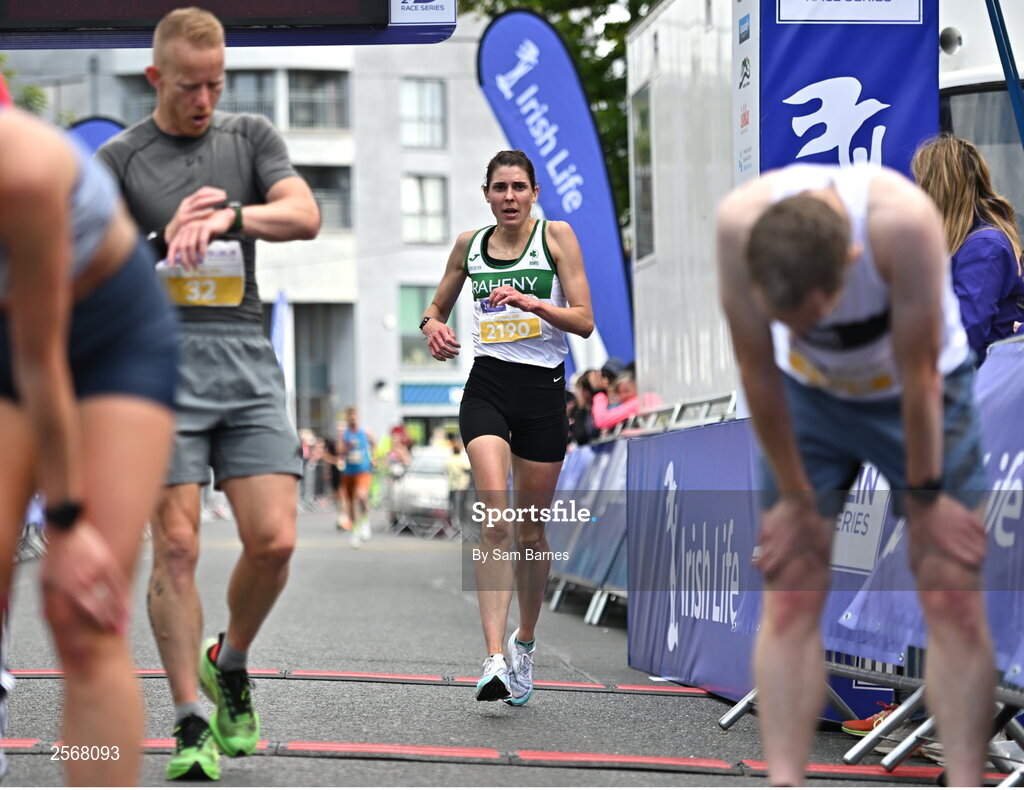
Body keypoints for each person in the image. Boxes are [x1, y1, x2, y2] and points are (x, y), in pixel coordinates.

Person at [97, 7, 320, 782]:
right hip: (157, 362)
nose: (204, 99)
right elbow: (81, 257)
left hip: (244, 353)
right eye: (190, 86)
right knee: (180, 545)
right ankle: (191, 721)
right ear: (156, 77)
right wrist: (161, 242)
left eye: (215, 84)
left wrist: (231, 213)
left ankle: (232, 657)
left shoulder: (249, 137)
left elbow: (307, 214)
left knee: (276, 541)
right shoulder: (121, 159)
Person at [716, 162, 993, 787]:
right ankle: (784, 778)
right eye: (797, 324)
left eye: (824, 314)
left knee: (949, 585)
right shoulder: (737, 228)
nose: (816, 331)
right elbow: (758, 369)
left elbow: (920, 375)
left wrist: (926, 499)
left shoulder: (904, 225)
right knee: (791, 585)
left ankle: (969, 778)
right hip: (807, 395)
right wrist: (791, 501)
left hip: (917, 386)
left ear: (853, 255)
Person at [0, 99, 178, 785]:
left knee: (81, 612)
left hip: (107, 335)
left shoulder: (22, 168)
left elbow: (39, 360)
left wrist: (67, 523)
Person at [421, 149, 594, 704]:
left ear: (535, 193)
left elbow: (585, 321)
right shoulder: (470, 246)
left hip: (543, 393)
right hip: (488, 389)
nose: (510, 196)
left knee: (531, 532)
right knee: (496, 518)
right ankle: (493, 658)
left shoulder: (557, 237)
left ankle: (525, 641)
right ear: (488, 194)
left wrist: (533, 302)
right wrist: (432, 327)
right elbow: (437, 306)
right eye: (500, 187)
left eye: (520, 186)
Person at [912, 134, 1024, 364]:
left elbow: (965, 334)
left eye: (920, 182)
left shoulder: (984, 247)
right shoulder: (969, 240)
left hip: (977, 380)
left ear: (937, 188)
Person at [336, 407, 376, 544]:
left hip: (363, 469)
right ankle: (355, 530)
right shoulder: (344, 433)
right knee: (351, 502)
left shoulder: (365, 431)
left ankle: (365, 521)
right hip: (349, 471)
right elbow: (339, 450)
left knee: (362, 496)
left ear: (358, 416)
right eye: (350, 415)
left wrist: (374, 458)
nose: (352, 418)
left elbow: (374, 443)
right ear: (348, 417)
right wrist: (347, 445)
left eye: (354, 415)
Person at [445, 435, 472, 531]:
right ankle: (460, 527)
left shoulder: (449, 460)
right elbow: (469, 468)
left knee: (454, 508)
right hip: (461, 486)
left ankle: (454, 525)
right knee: (461, 508)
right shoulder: (461, 459)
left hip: (452, 486)